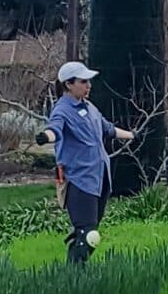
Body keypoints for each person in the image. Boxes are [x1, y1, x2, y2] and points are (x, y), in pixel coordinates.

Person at [41, 60, 134, 263]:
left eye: (88, 81)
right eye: (83, 81)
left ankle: (76, 272)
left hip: (99, 179)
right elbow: (55, 129)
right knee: (87, 234)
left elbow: (107, 129)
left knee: (91, 234)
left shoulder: (89, 107)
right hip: (79, 181)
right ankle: (74, 275)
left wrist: (132, 135)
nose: (88, 85)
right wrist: (45, 136)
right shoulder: (62, 110)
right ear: (68, 84)